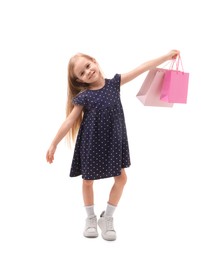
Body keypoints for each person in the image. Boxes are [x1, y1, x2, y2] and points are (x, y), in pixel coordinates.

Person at [46, 49, 180, 241]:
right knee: (87, 181)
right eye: (82, 74)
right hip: (91, 144)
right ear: (80, 81)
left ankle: (107, 218)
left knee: (121, 179)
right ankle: (90, 219)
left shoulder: (114, 84)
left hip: (113, 142)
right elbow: (69, 121)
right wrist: (54, 144)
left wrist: (166, 57)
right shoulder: (84, 97)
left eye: (87, 66)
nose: (88, 72)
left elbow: (141, 68)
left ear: (94, 61)